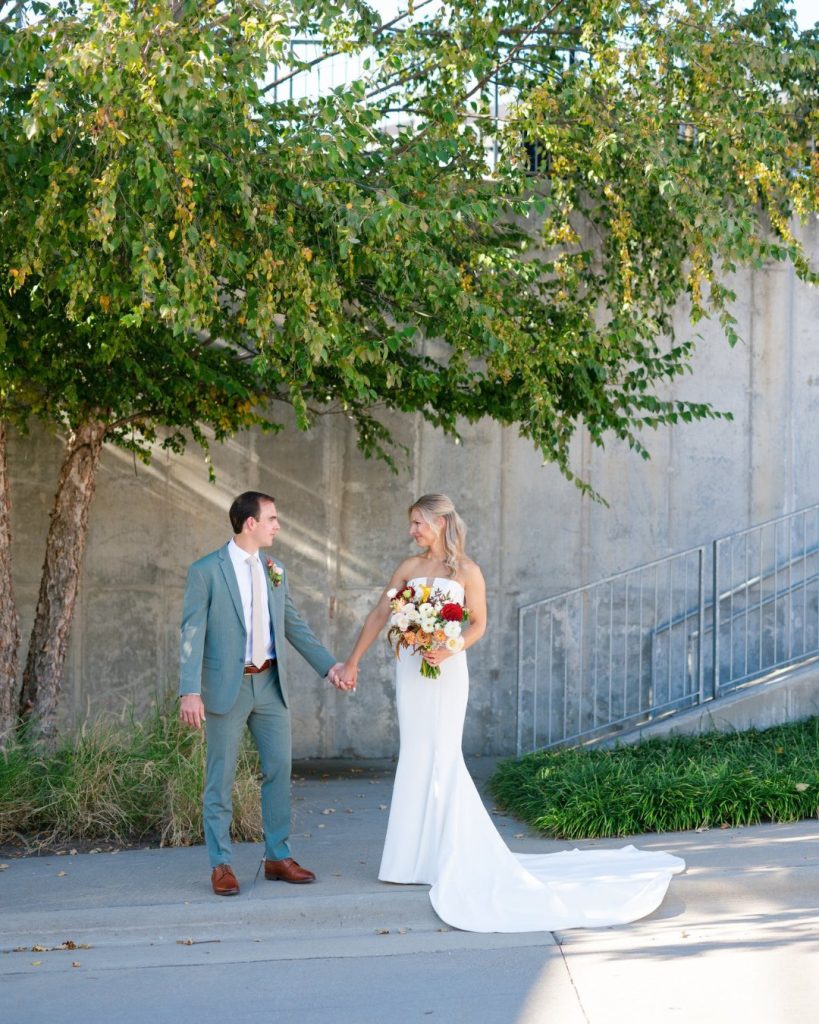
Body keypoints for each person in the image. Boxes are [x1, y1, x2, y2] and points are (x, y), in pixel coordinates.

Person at [337, 493, 684, 932]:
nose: (413, 532)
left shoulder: (468, 571)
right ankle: (408, 861)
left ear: (441, 522)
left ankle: (450, 854)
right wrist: (353, 661)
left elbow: (479, 622)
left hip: (447, 670)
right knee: (416, 751)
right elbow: (379, 615)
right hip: (411, 670)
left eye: (418, 523)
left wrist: (452, 645)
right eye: (411, 525)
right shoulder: (408, 568)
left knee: (443, 754)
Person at [179, 490, 354, 896]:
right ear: (250, 523)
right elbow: (191, 632)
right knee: (219, 778)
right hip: (228, 687)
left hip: (271, 686)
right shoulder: (206, 570)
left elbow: (293, 625)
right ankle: (221, 864)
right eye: (272, 518)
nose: (277, 526)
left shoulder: (275, 569)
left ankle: (277, 856)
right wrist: (190, 691)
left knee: (279, 770)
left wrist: (331, 667)